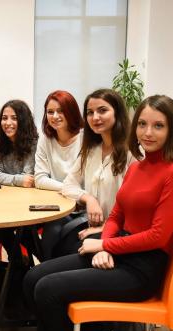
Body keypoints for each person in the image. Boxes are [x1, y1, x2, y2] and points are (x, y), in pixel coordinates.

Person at [23, 94, 173, 331]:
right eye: (143, 124)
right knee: (32, 277)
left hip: (141, 269)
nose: (148, 132)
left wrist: (104, 244)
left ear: (172, 130)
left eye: (158, 126)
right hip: (119, 252)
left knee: (47, 290)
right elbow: (116, 217)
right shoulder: (138, 167)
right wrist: (107, 247)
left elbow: (158, 237)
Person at [56, 88, 133, 257]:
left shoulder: (133, 153)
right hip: (92, 225)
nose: (95, 117)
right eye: (90, 112)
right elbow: (68, 185)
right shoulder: (91, 150)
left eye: (102, 110)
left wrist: (104, 228)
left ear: (117, 113)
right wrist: (89, 199)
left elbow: (135, 209)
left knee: (67, 251)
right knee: (54, 239)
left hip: (120, 232)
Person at [33, 90, 84, 260]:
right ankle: (33, 269)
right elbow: (39, 179)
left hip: (82, 206)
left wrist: (75, 194)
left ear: (71, 111)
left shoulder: (85, 139)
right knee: (21, 229)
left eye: (61, 111)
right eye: (50, 112)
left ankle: (45, 271)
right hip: (56, 204)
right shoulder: (45, 139)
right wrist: (68, 190)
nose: (55, 116)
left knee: (56, 230)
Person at [0, 99, 38, 259]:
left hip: (29, 204)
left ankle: (27, 264)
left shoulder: (33, 144)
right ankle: (18, 263)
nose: (8, 123)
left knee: (21, 231)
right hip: (5, 204)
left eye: (14, 118)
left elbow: (29, 177)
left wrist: (10, 179)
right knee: (1, 224)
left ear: (23, 121)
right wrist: (18, 180)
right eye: (4, 118)